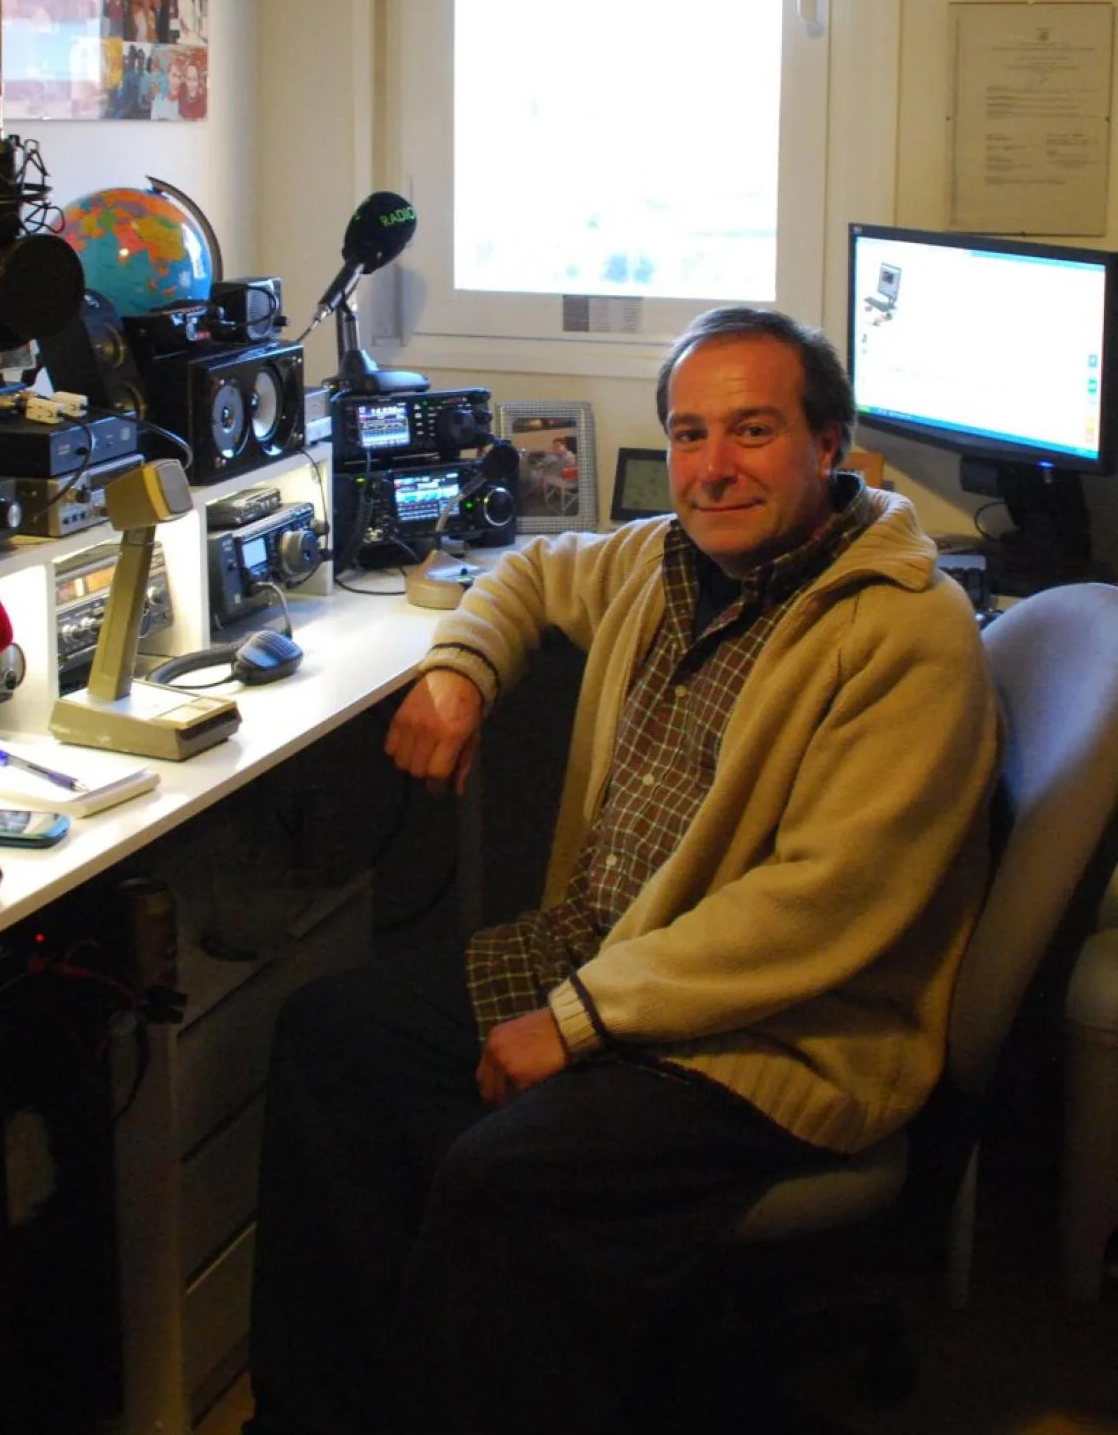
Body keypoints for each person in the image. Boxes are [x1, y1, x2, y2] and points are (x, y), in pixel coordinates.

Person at [246, 306, 999, 1435]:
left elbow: (816, 907)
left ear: (829, 445)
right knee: (332, 1042)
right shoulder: (663, 559)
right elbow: (533, 572)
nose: (711, 468)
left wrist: (582, 1018)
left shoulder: (905, 632)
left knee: (504, 1179)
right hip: (612, 956)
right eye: (689, 435)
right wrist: (460, 671)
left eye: (751, 431)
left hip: (780, 1034)